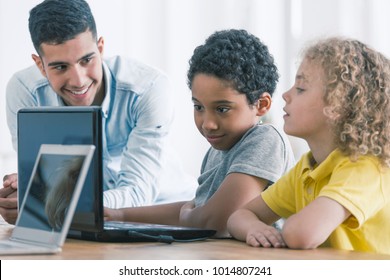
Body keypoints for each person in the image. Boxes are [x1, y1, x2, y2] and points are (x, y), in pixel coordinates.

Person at [0, 0, 196, 224]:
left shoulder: (148, 88)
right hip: (83, 223)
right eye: (60, 67)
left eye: (86, 60)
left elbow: (138, 194)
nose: (78, 80)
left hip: (166, 216)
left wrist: (43, 205)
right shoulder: (25, 92)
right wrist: (23, 196)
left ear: (100, 48)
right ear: (40, 65)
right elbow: (44, 184)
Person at [104, 29, 295, 237]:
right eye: (199, 107)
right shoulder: (217, 150)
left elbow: (215, 222)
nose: (207, 124)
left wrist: (191, 214)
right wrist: (119, 215)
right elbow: (196, 209)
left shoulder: (265, 140)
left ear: (261, 104)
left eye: (222, 109)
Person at [227, 37, 390, 254]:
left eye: (301, 88)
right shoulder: (306, 169)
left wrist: (285, 228)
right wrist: (254, 228)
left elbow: (301, 235)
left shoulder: (365, 168)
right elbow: (239, 216)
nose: (286, 95)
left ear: (338, 106)